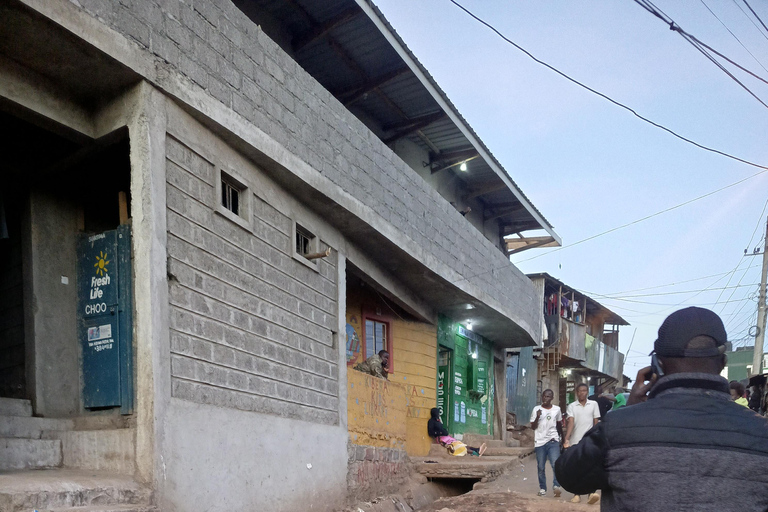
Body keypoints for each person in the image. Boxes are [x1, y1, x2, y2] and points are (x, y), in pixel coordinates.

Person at [554, 306, 768, 512]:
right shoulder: (762, 433)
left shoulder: (618, 429)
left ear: (657, 364)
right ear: (722, 362)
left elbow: (569, 475)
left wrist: (625, 415)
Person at [563, 382, 601, 504]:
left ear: (587, 392)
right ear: (576, 392)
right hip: (576, 441)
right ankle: (577, 494)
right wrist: (566, 439)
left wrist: (597, 438)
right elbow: (571, 423)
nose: (582, 393)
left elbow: (596, 422)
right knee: (577, 468)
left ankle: (591, 493)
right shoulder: (572, 406)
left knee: (590, 468)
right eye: (579, 391)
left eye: (584, 391)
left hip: (590, 440)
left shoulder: (594, 404)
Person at [530, 389, 563, 498]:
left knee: (555, 464)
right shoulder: (536, 409)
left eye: (548, 397)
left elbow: (559, 425)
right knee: (541, 466)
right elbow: (533, 427)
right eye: (544, 396)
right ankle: (543, 488)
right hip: (540, 442)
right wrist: (537, 416)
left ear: (552, 398)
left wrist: (561, 438)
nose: (545, 399)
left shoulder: (557, 410)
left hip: (553, 440)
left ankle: (556, 486)